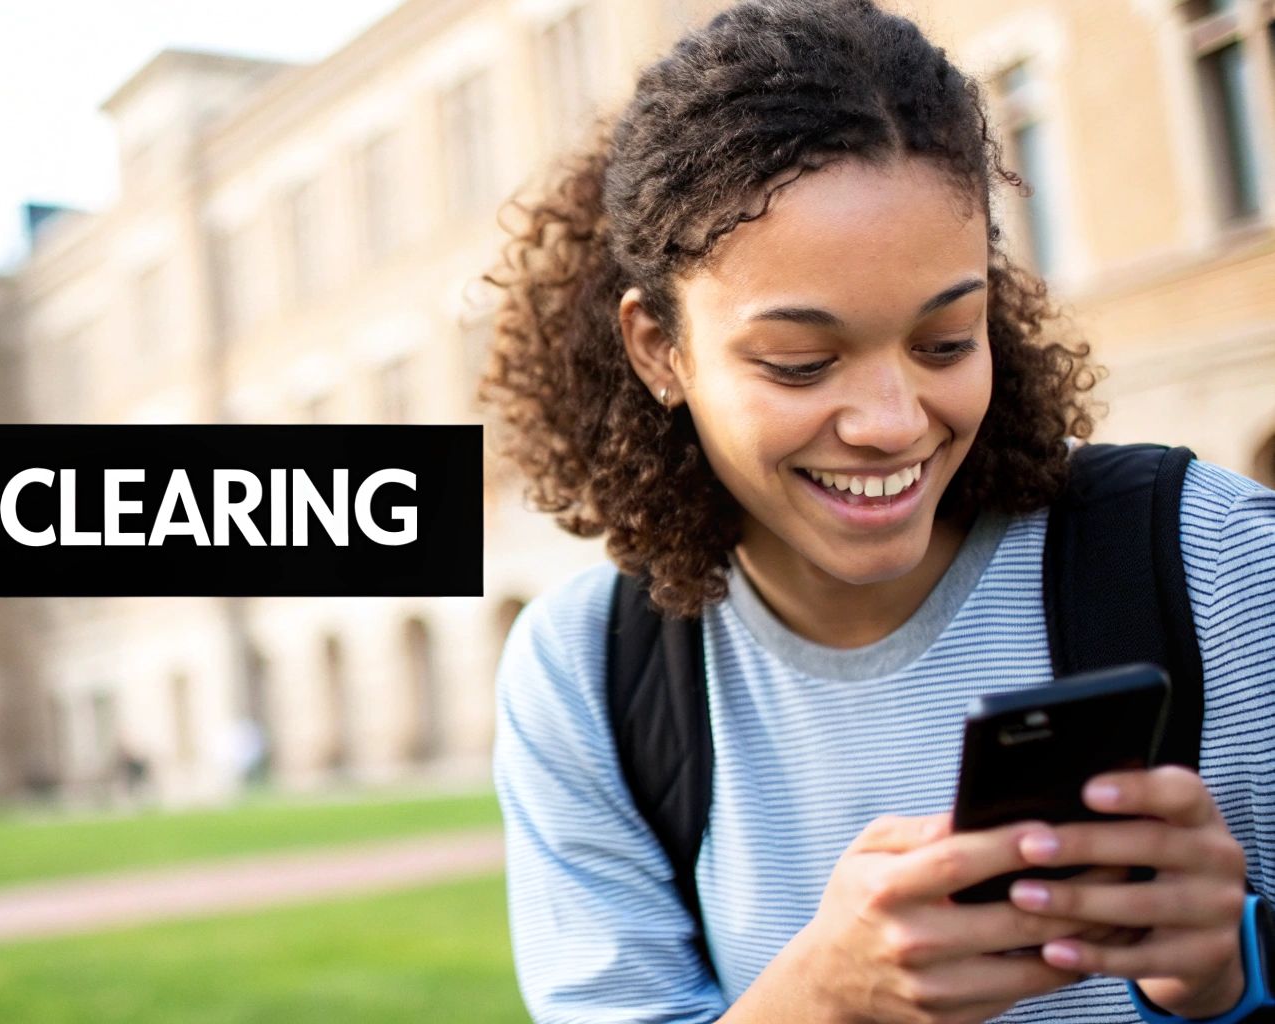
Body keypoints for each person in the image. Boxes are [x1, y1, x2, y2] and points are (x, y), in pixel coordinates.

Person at [481, 2, 1275, 1022]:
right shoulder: (586, 674)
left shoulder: (1216, 562)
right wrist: (817, 997)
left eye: (945, 341)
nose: (892, 423)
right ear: (657, 350)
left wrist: (1226, 977)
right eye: (800, 362)